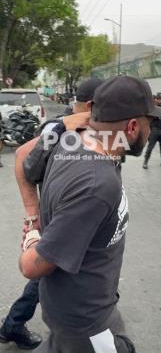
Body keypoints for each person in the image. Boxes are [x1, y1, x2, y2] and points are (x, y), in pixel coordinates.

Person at [18, 76, 161, 352]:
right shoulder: (97, 184)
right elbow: (31, 266)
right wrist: (32, 232)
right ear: (133, 126)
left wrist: (34, 218)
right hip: (86, 323)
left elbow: (23, 159)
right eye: (150, 123)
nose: (152, 131)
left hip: (78, 309)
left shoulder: (71, 142)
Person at [0, 78, 101, 350]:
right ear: (92, 105)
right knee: (51, 273)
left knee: (57, 273)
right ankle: (14, 324)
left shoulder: (91, 129)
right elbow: (22, 155)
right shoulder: (60, 128)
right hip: (62, 219)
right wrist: (33, 216)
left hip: (76, 218)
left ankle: (16, 324)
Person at [143, 92, 161, 169]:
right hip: (154, 130)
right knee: (150, 147)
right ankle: (145, 162)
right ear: (156, 99)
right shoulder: (152, 107)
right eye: (159, 99)